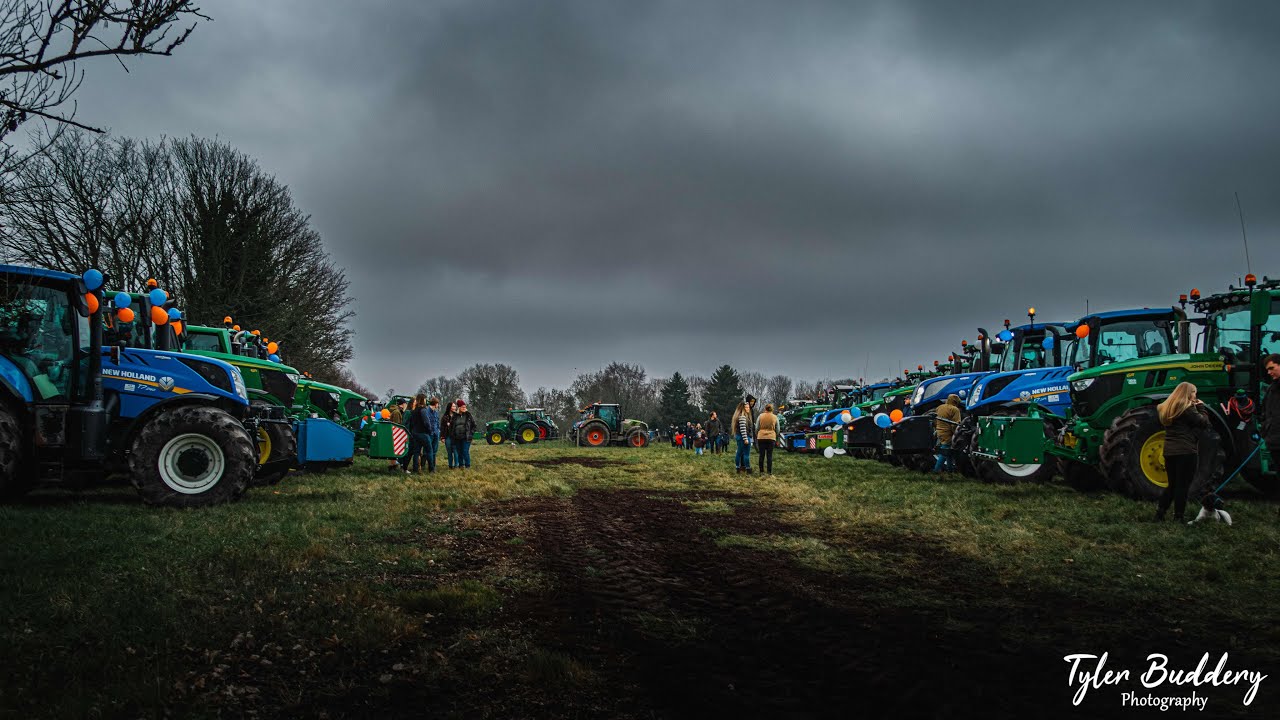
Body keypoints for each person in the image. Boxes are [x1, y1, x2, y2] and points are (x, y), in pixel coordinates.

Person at [1155, 382, 1210, 522]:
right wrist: (1201, 407)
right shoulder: (1187, 408)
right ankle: (1178, 517)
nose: (1195, 395)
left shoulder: (1166, 408)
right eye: (1194, 392)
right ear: (1188, 393)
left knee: (1172, 485)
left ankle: (1160, 514)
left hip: (1169, 451)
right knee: (1182, 486)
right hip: (1186, 451)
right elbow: (1204, 423)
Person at [932, 394, 963, 473]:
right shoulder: (955, 409)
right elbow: (955, 424)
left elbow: (935, 420)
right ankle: (936, 470)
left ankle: (950, 470)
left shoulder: (939, 407)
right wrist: (956, 435)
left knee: (949, 452)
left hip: (939, 432)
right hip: (948, 433)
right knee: (945, 452)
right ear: (955, 402)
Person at [406, 394, 434, 474]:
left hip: (415, 433)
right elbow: (426, 422)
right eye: (425, 399)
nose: (426, 400)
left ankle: (415, 469)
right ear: (422, 400)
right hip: (423, 433)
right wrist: (430, 430)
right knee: (429, 451)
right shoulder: (423, 410)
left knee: (416, 452)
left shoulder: (414, 410)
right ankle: (431, 469)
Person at [452, 399, 477, 469]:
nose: (464, 408)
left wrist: (471, 434)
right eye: (463, 407)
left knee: (465, 451)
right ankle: (461, 465)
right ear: (459, 407)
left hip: (466, 437)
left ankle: (467, 465)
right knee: (459, 452)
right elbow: (452, 426)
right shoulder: (455, 416)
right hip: (457, 437)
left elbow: (474, 425)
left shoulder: (468, 415)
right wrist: (453, 434)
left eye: (465, 407)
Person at [756, 403, 778, 474]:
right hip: (771, 437)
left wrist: (758, 434)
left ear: (765, 409)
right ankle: (769, 472)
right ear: (772, 409)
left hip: (761, 437)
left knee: (761, 455)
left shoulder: (760, 416)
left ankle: (761, 471)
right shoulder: (775, 417)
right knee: (769, 455)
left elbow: (757, 427)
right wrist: (775, 434)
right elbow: (778, 429)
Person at [1264, 354, 1280, 455]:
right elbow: (1265, 412)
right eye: (1267, 369)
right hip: (1274, 443)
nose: (1269, 372)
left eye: (1271, 368)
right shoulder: (1271, 389)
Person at [732, 401, 753, 473]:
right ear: (743, 409)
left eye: (748, 407)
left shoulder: (739, 416)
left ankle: (738, 467)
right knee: (746, 454)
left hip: (739, 437)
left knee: (739, 453)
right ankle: (748, 468)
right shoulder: (742, 417)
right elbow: (743, 429)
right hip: (744, 437)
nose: (748, 409)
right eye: (746, 407)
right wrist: (745, 439)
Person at [387, 399, 406, 472]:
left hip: (393, 433)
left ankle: (393, 465)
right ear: (402, 404)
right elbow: (397, 424)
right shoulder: (397, 412)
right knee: (394, 451)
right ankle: (392, 466)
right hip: (395, 434)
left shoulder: (396, 411)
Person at [425, 397, 442, 472]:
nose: (438, 405)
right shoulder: (426, 411)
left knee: (434, 451)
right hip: (429, 434)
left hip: (436, 434)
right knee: (428, 451)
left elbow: (437, 422)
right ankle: (429, 467)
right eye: (438, 404)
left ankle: (433, 466)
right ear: (435, 404)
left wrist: (438, 430)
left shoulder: (436, 412)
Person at [441, 401, 458, 469]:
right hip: (447, 436)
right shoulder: (445, 417)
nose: (455, 407)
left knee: (456, 451)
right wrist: (442, 437)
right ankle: (450, 465)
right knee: (449, 451)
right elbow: (442, 427)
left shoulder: (457, 416)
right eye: (453, 406)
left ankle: (456, 465)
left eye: (455, 406)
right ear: (450, 407)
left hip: (455, 436)